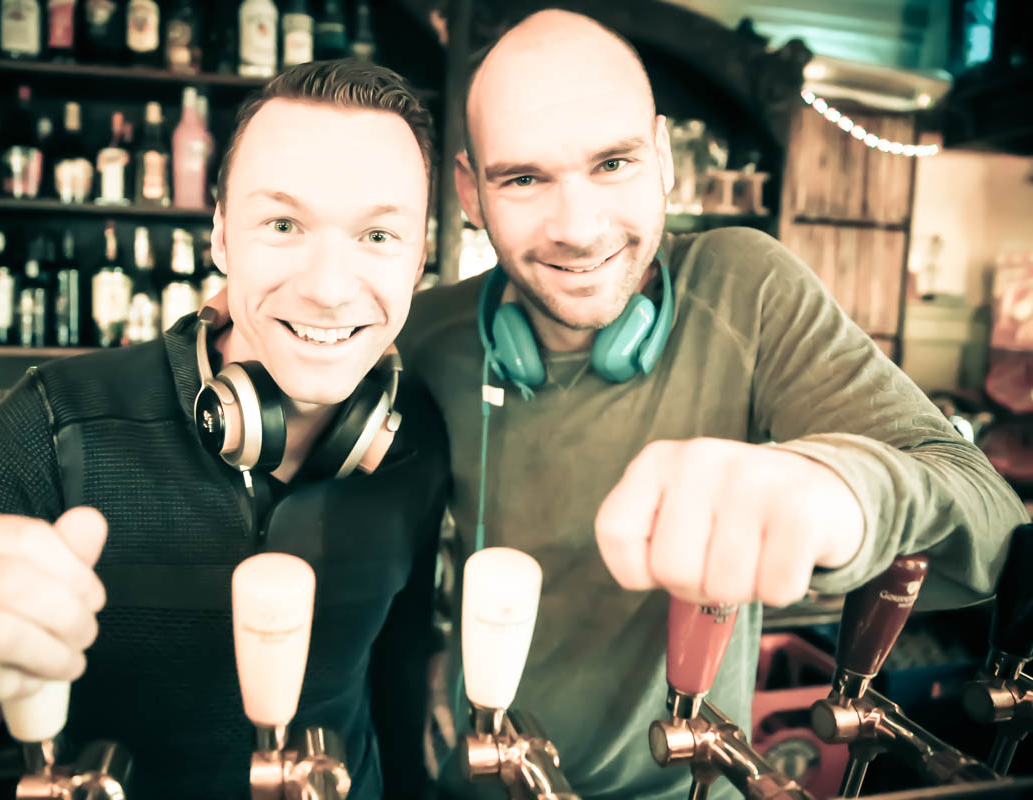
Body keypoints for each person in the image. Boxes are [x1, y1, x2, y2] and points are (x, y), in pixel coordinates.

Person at [398, 8, 1030, 800]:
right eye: (523, 179)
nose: (578, 228)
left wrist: (834, 486)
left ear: (663, 158)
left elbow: (993, 526)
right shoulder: (425, 335)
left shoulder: (746, 287)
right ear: (468, 190)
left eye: (613, 163)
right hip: (483, 781)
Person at [0, 60, 448, 800]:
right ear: (221, 237)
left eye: (378, 234)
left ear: (419, 258)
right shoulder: (53, 420)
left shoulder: (418, 436)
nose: (328, 287)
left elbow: (398, 693)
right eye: (283, 225)